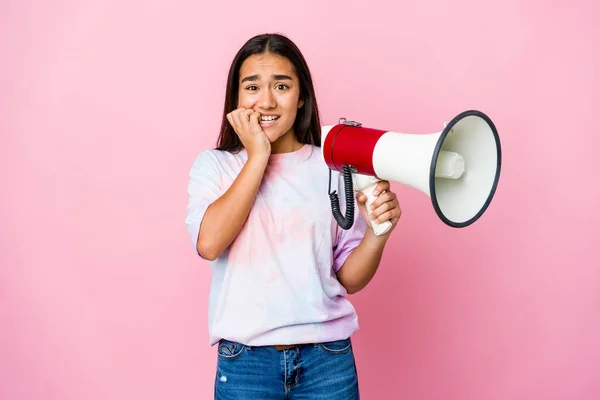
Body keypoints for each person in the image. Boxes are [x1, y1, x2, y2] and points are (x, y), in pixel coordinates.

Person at [185, 33, 402, 400]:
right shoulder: (215, 166)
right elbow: (209, 243)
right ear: (236, 98)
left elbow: (349, 278)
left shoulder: (333, 167)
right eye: (252, 87)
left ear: (301, 96)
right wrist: (257, 156)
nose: (266, 101)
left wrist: (378, 233)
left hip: (327, 361)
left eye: (281, 86)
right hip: (246, 363)